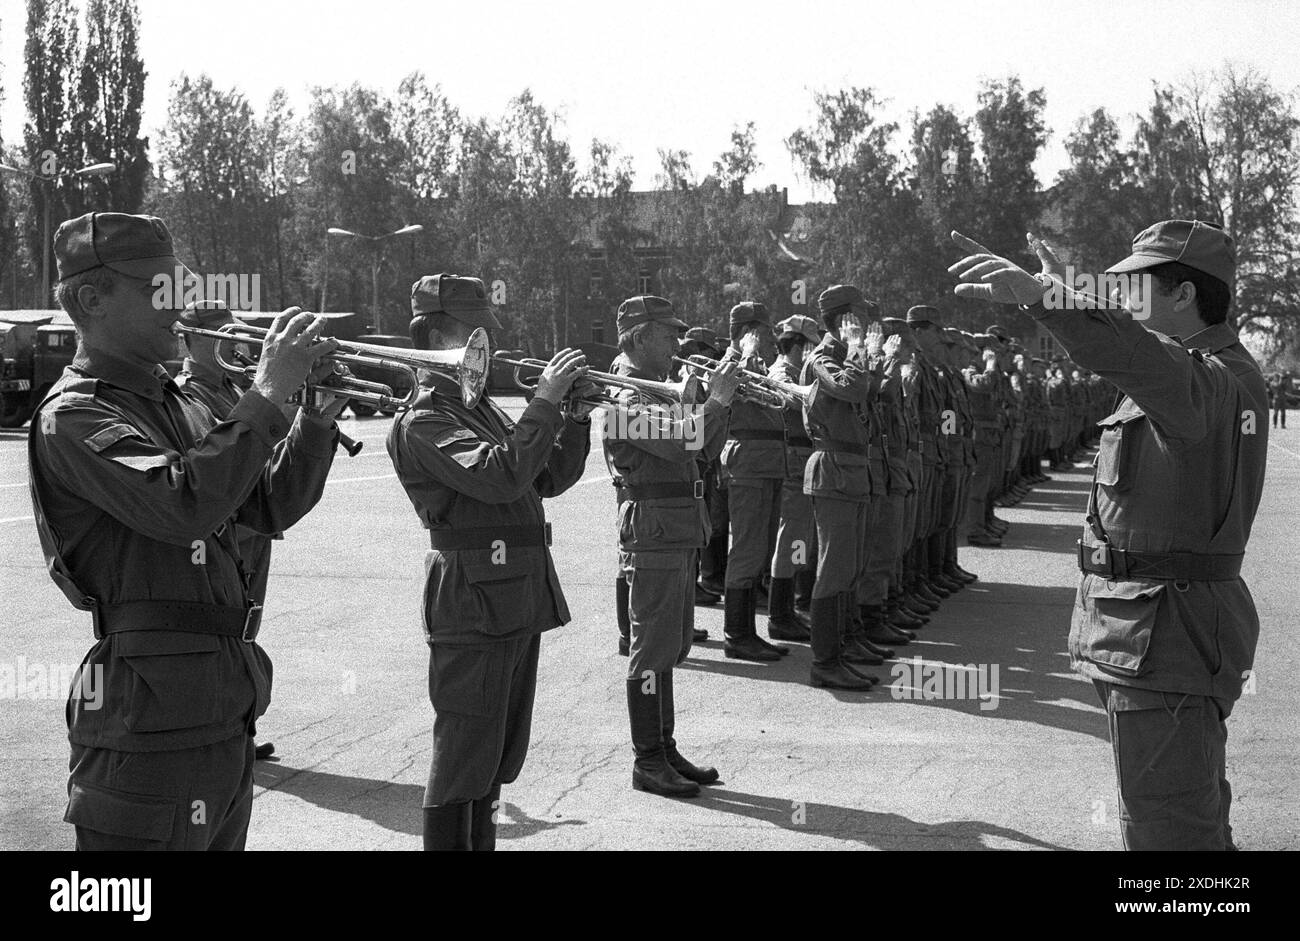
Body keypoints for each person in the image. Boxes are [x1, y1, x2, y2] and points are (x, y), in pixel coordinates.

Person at [950, 220, 1268, 851]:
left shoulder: (1207, 378)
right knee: (1178, 816)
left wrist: (1051, 297)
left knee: (1169, 835)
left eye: (1136, 283)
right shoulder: (1197, 373)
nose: (1122, 294)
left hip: (1165, 636)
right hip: (1148, 631)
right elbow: (1137, 353)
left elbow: (1135, 354)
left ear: (1182, 295)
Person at [30, 211, 345, 850]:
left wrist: (314, 422)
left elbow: (267, 508)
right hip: (146, 725)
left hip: (222, 710)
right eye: (161, 290)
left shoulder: (184, 403)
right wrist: (267, 391)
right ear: (92, 298)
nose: (184, 306)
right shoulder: (77, 414)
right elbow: (183, 506)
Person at [387, 274, 591, 850]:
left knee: (497, 754)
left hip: (514, 597)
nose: (488, 343)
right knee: (462, 757)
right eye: (473, 332)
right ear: (433, 336)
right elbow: (501, 476)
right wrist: (545, 404)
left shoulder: (482, 410)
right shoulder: (425, 419)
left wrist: (570, 418)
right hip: (472, 604)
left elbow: (546, 477)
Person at [603, 295, 740, 798]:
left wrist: (716, 402)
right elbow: (684, 441)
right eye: (668, 334)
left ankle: (664, 747)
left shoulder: (658, 392)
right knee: (650, 651)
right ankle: (647, 760)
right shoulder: (622, 401)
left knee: (672, 645)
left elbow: (705, 445)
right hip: (654, 530)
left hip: (679, 527)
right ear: (639, 337)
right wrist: (716, 402)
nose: (678, 344)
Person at [176, 302, 281, 762]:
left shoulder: (239, 383)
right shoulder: (187, 395)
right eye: (216, 334)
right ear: (188, 340)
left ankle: (243, 727)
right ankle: (222, 730)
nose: (229, 342)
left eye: (231, 333)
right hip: (225, 530)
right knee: (224, 627)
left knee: (249, 625)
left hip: (255, 524)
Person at [801, 285, 890, 691]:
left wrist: (875, 360)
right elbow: (852, 388)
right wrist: (857, 350)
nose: (867, 321)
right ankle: (825, 662)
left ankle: (844, 645)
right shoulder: (822, 358)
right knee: (833, 570)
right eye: (859, 315)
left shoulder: (846, 356)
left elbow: (871, 394)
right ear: (843, 319)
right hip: (834, 470)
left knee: (850, 567)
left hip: (853, 470)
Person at [719, 301, 789, 661]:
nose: (771, 338)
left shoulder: (760, 364)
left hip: (769, 464)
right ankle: (737, 634)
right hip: (748, 464)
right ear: (749, 331)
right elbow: (723, 391)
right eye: (764, 330)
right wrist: (745, 355)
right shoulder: (730, 362)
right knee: (747, 549)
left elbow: (781, 401)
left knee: (759, 548)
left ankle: (748, 631)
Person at [766, 315, 821, 642]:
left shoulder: (795, 372)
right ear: (799, 345)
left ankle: (794, 608)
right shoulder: (782, 373)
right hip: (793, 459)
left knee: (801, 537)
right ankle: (780, 615)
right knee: (790, 539)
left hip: (803, 459)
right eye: (811, 347)